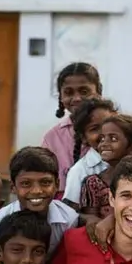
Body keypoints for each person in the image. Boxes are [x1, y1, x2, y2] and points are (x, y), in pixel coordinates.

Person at [41, 62, 103, 199]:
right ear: (61, 97)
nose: (76, 98)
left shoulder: (116, 130)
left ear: (98, 92)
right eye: (68, 93)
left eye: (84, 91)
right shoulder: (52, 138)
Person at [78, 114, 132, 224]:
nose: (104, 144)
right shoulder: (93, 183)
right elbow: (93, 223)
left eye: (113, 138)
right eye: (102, 139)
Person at [62, 98, 118, 209]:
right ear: (84, 138)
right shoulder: (79, 171)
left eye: (109, 124)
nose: (104, 133)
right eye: (95, 128)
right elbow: (71, 212)